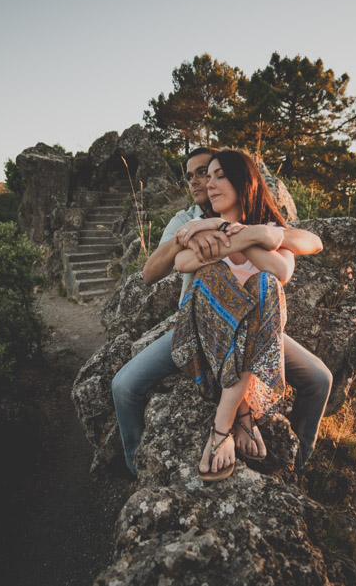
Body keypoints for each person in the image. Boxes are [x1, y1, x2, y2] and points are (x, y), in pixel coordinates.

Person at [111, 147, 332, 477]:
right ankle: (136, 468)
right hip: (202, 325)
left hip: (258, 328)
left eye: (212, 174)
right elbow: (173, 265)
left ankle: (295, 466)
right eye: (196, 176)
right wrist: (208, 232)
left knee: (319, 378)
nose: (203, 183)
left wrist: (240, 232)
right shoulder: (189, 222)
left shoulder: (263, 225)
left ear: (240, 181)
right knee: (124, 386)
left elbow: (291, 259)